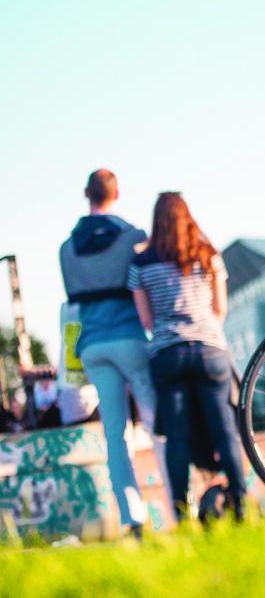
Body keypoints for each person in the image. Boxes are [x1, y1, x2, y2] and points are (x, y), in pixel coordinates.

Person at [128, 193, 246, 520]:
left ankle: (181, 515)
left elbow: (147, 321)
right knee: (225, 431)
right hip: (210, 350)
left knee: (176, 437)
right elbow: (220, 309)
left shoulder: (140, 263)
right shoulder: (208, 254)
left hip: (168, 354)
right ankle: (242, 507)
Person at [59, 169, 161, 536]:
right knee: (155, 425)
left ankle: (131, 518)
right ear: (117, 192)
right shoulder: (134, 237)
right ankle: (181, 504)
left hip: (93, 345)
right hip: (131, 338)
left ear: (86, 193)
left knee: (115, 434)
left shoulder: (66, 248)